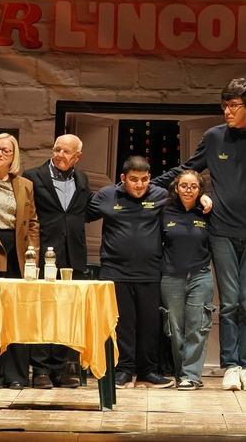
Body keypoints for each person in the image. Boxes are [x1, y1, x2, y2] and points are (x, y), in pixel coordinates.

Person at [152, 78, 246, 392]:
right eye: (224, 105)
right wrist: (145, 185)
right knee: (229, 303)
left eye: (233, 105)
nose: (227, 111)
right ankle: (230, 365)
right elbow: (188, 169)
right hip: (221, 231)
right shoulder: (213, 137)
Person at [87, 155, 172, 389]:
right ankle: (123, 370)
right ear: (123, 178)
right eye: (134, 179)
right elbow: (78, 214)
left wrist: (204, 197)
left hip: (150, 271)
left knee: (149, 324)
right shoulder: (106, 195)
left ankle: (147, 372)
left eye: (144, 179)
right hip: (115, 271)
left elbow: (186, 201)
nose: (139, 185)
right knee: (121, 324)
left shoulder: (160, 195)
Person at [24, 133, 92, 389]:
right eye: (57, 149)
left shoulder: (82, 179)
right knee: (43, 311)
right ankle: (40, 369)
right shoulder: (33, 176)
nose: (60, 155)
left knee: (67, 311)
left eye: (66, 152)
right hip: (43, 253)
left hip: (73, 254)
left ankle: (62, 368)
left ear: (77, 157)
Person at [0, 133, 40, 389]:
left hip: (18, 252)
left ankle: (16, 376)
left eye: (5, 150)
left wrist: (32, 254)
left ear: (14, 155)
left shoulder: (25, 184)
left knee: (17, 314)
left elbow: (33, 222)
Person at [160, 169, 214, 391]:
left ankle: (191, 375)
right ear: (176, 187)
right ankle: (182, 372)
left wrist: (207, 201)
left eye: (193, 186)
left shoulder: (207, 212)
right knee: (174, 328)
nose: (188, 190)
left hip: (200, 275)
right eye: (184, 185)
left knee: (197, 326)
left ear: (200, 189)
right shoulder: (165, 210)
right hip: (171, 276)